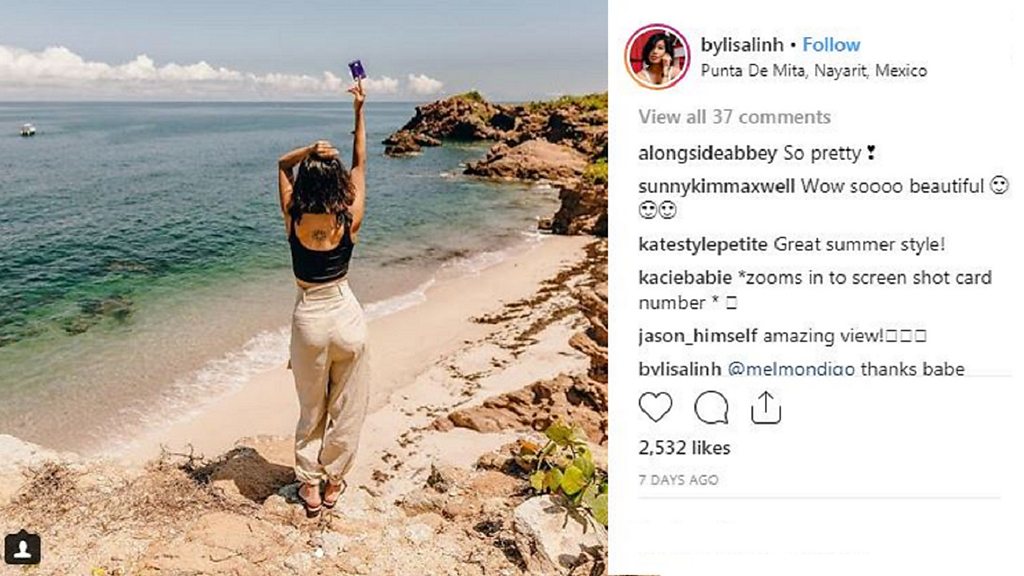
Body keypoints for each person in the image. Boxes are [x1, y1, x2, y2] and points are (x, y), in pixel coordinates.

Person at [276, 78, 369, 517]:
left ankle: (309, 487)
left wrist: (310, 151)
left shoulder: (294, 216)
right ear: (337, 183)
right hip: (346, 314)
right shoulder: (348, 219)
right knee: (348, 405)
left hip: (309, 318)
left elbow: (282, 165)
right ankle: (334, 482)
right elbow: (361, 164)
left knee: (311, 407)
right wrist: (358, 111)